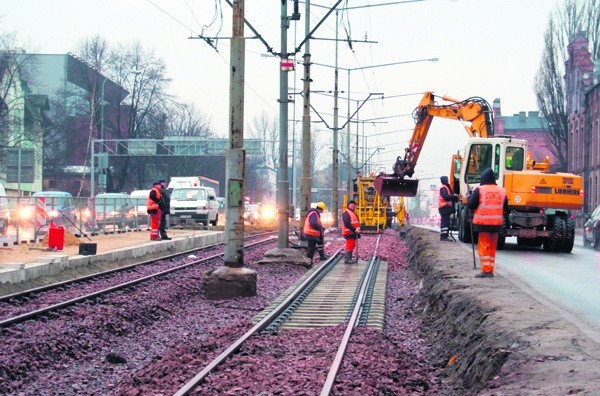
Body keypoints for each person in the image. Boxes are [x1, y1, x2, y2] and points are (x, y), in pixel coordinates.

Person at [467, 168, 508, 278]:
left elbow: (471, 205)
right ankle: (490, 268)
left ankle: (486, 270)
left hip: (483, 223)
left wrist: (469, 197)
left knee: (484, 247)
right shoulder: (502, 191)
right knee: (492, 247)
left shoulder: (480, 190)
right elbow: (505, 207)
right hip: (496, 224)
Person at [438, 175, 458, 241]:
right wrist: (453, 196)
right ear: (444, 180)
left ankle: (444, 235)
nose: (448, 180)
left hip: (445, 208)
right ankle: (444, 236)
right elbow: (445, 197)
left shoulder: (446, 187)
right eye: (446, 179)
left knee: (446, 222)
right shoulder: (444, 188)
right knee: (445, 222)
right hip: (444, 207)